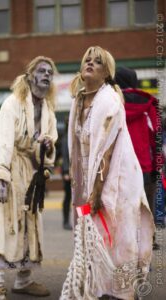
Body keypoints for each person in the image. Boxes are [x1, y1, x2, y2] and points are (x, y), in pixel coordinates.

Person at [60, 46, 154, 300]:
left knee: (120, 233)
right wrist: (82, 191)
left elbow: (107, 151)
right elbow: (76, 148)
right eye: (87, 60)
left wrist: (96, 191)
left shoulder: (109, 100)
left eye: (98, 62)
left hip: (117, 177)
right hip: (89, 180)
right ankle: (101, 288)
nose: (90, 63)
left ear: (107, 73)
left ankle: (125, 292)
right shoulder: (78, 100)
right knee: (95, 232)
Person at [0, 56, 58, 300]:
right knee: (0, 223)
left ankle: (24, 281)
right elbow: (3, 139)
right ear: (29, 76)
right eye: (41, 71)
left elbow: (48, 146)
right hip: (2, 163)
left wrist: (46, 145)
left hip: (28, 171)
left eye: (50, 72)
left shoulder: (48, 110)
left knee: (30, 224)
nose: (46, 75)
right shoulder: (13, 103)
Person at [115, 67, 162, 249]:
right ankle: (147, 243)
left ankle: (125, 246)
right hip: (145, 166)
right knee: (145, 209)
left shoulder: (112, 103)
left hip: (119, 166)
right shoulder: (149, 104)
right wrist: (158, 167)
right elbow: (156, 138)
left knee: (122, 209)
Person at [61, 117, 72, 230]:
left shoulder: (74, 137)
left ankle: (80, 220)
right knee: (68, 197)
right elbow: (65, 157)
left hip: (76, 173)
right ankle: (65, 221)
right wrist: (65, 172)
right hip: (68, 173)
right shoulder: (66, 138)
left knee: (79, 199)